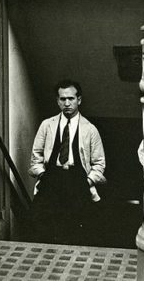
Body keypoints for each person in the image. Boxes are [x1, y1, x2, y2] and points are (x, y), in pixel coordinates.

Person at [28, 79, 106, 244]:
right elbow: (36, 156)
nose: (67, 103)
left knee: (75, 229)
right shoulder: (47, 125)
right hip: (51, 179)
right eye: (63, 99)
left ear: (79, 100)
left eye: (71, 98)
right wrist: (43, 175)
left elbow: (99, 163)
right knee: (42, 224)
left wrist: (87, 181)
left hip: (78, 180)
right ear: (57, 101)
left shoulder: (90, 129)